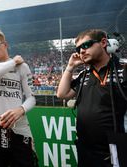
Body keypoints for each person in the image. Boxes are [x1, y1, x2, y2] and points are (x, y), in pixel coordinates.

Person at [57, 29, 127, 167]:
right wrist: (70, 67)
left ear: (103, 42)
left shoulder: (123, 69)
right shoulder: (84, 75)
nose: (81, 51)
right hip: (86, 150)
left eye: (86, 45)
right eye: (78, 48)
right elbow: (62, 94)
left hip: (116, 150)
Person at [0, 29, 38, 167]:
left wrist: (21, 109)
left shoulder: (22, 67)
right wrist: (13, 61)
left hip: (19, 125)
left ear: (5, 45)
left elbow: (32, 98)